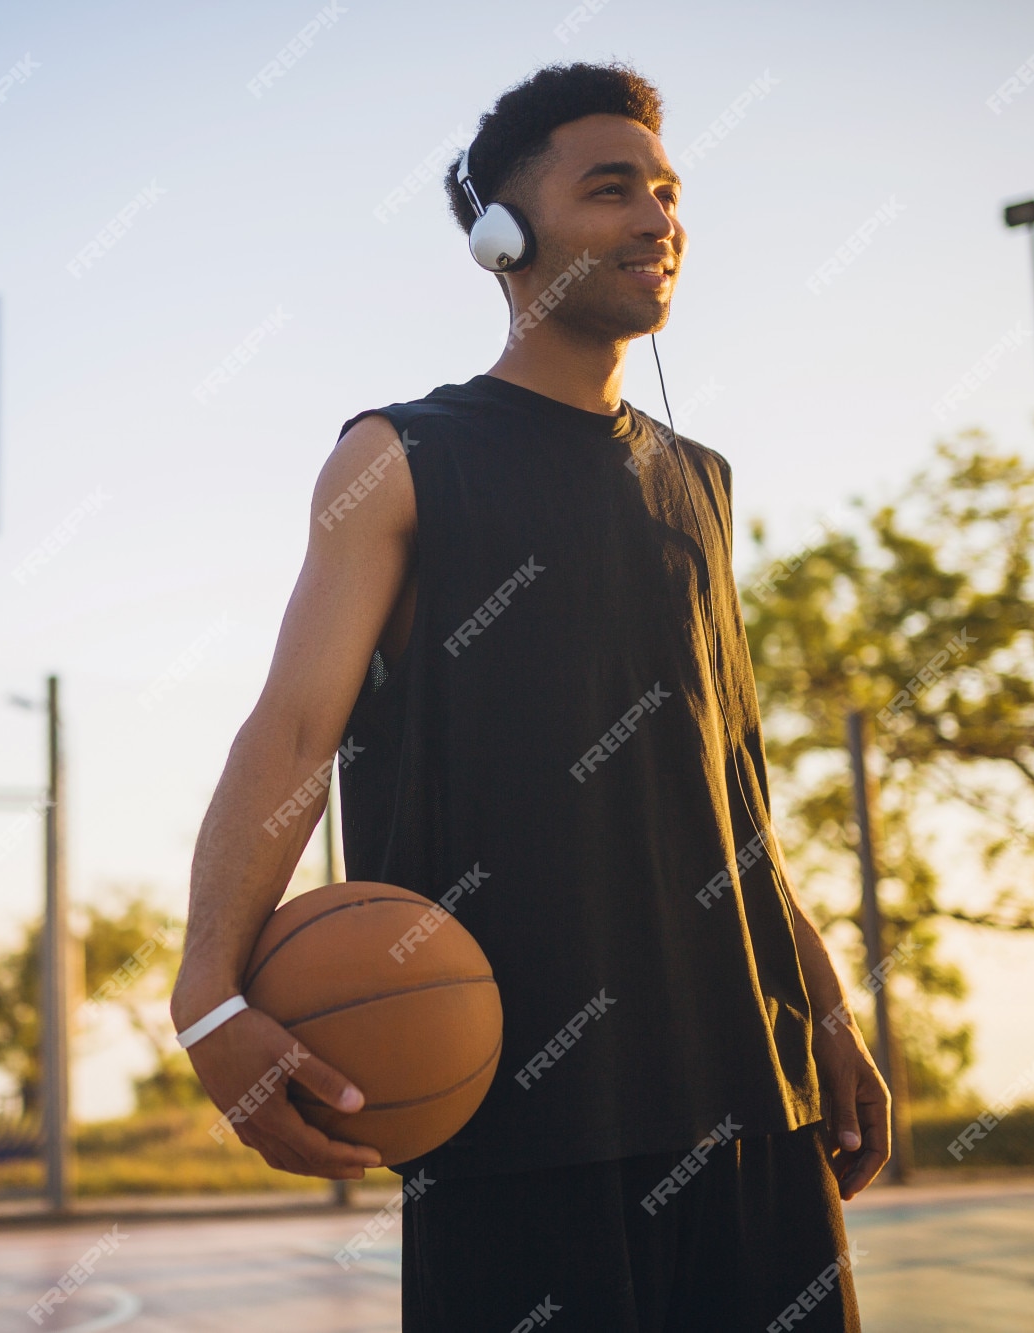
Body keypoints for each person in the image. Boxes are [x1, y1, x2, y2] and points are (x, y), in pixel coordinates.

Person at [169, 62, 887, 1331]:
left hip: (748, 1102)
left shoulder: (699, 483)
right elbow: (288, 732)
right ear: (502, 238)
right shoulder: (399, 457)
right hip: (511, 1120)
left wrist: (821, 1006)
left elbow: (727, 792)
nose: (656, 219)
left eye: (666, 192)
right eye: (610, 189)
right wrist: (209, 997)